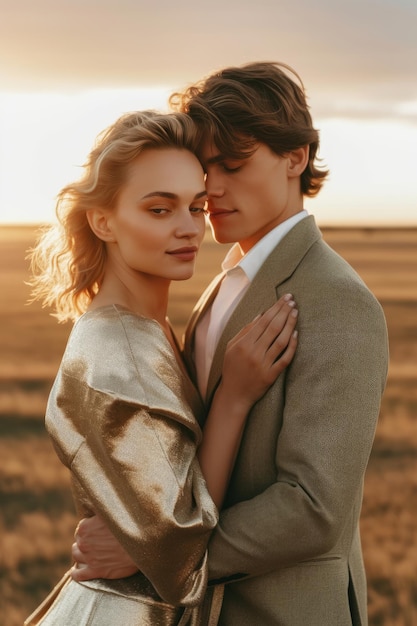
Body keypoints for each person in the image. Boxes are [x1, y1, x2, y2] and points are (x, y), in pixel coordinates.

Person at [70, 62, 389, 625]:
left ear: (295, 158)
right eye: (205, 168)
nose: (212, 188)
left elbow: (314, 510)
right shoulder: (220, 281)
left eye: (233, 165)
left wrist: (155, 552)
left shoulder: (338, 300)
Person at [24, 109, 299, 626]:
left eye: (196, 207)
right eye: (159, 209)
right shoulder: (117, 353)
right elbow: (179, 538)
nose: (189, 228)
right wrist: (234, 399)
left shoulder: (148, 327)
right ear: (103, 220)